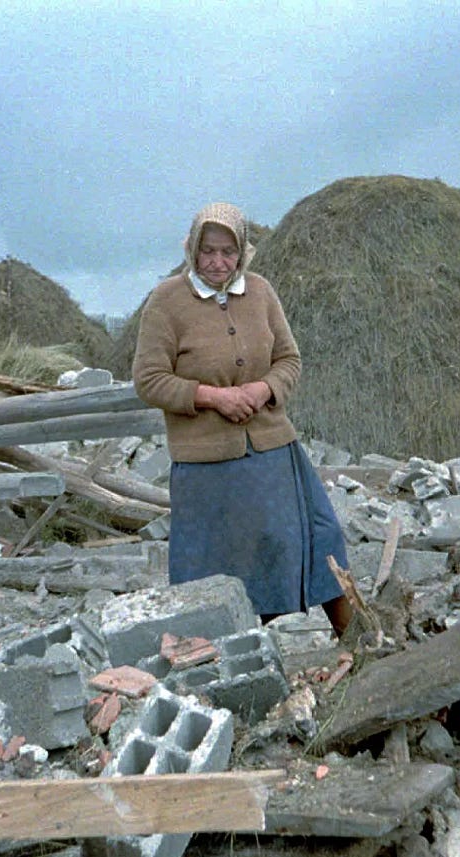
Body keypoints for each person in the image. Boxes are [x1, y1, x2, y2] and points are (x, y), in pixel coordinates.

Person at [133, 202, 353, 639]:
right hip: (206, 463)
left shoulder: (261, 292)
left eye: (228, 252)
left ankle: (355, 642)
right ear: (192, 250)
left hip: (272, 447)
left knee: (316, 534)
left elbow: (289, 359)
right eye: (208, 252)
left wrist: (262, 389)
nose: (218, 262)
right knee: (216, 563)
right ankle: (216, 659)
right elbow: (148, 379)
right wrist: (212, 397)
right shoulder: (166, 301)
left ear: (242, 253)